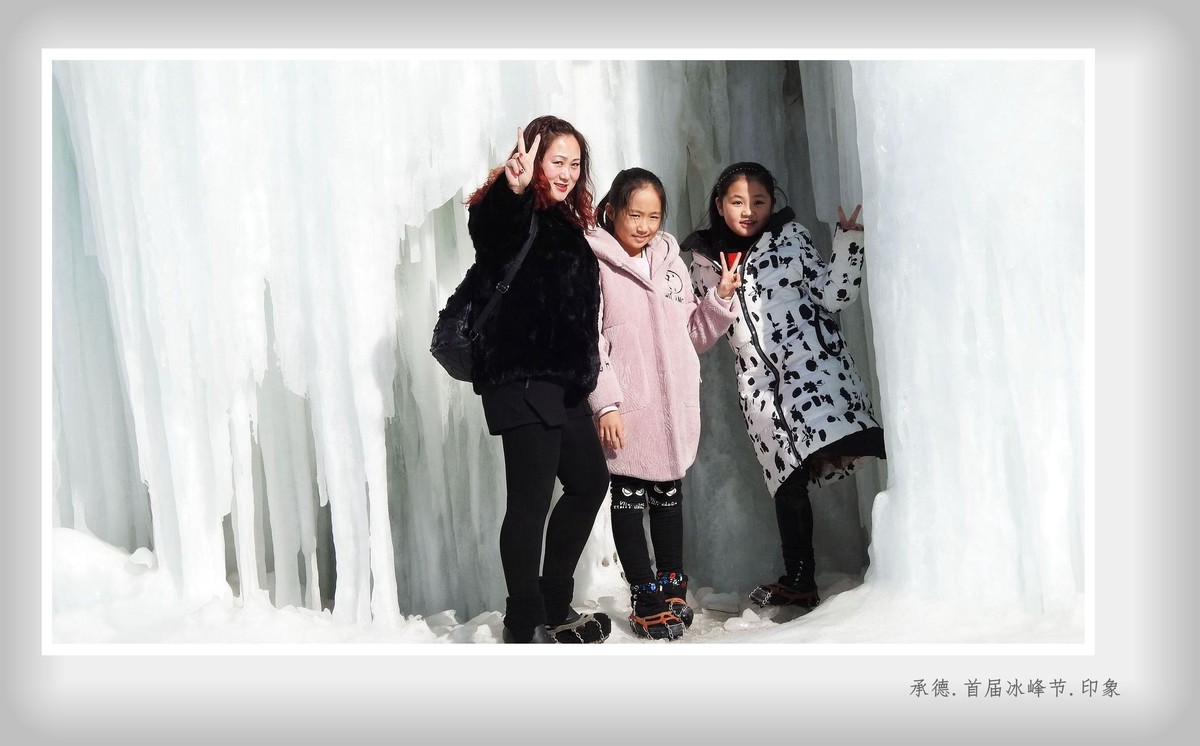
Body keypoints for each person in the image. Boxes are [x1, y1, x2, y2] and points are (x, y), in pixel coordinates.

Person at [682, 161, 886, 610]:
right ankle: (799, 578)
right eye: (738, 202)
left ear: (772, 203)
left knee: (859, 438)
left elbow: (834, 294)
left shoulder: (790, 238)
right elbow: (701, 331)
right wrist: (721, 295)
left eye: (759, 201)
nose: (749, 211)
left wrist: (849, 242)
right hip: (759, 386)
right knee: (787, 481)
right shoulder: (703, 262)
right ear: (719, 205)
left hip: (813, 367)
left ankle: (930, 493)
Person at [465, 115, 611, 643]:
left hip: (563, 383)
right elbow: (489, 231)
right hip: (522, 378)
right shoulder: (512, 208)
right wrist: (514, 189)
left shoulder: (567, 222)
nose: (567, 172)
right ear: (532, 159)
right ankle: (523, 618)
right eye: (557, 161)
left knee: (590, 481)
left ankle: (552, 601)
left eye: (575, 163)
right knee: (529, 502)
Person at [587, 168, 740, 640]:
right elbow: (589, 342)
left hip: (673, 405)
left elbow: (693, 333)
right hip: (627, 407)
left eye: (654, 217)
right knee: (629, 499)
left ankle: (673, 586)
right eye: (635, 215)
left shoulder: (671, 264)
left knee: (669, 498)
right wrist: (605, 403)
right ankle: (644, 594)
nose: (644, 226)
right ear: (612, 211)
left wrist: (719, 300)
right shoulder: (594, 262)